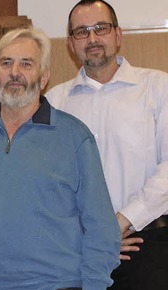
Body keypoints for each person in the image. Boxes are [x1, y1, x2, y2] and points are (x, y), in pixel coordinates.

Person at [0, 27, 121, 289]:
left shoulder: (75, 137)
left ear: (44, 77)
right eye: (6, 63)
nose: (14, 72)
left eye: (26, 64)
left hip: (55, 284)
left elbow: (101, 229)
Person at [45, 1, 168, 288]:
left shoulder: (158, 88)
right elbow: (47, 183)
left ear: (118, 34)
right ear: (70, 44)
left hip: (147, 244)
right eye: (81, 32)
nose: (92, 39)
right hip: (76, 249)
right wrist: (89, 233)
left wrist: (120, 222)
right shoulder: (54, 103)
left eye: (100, 28)